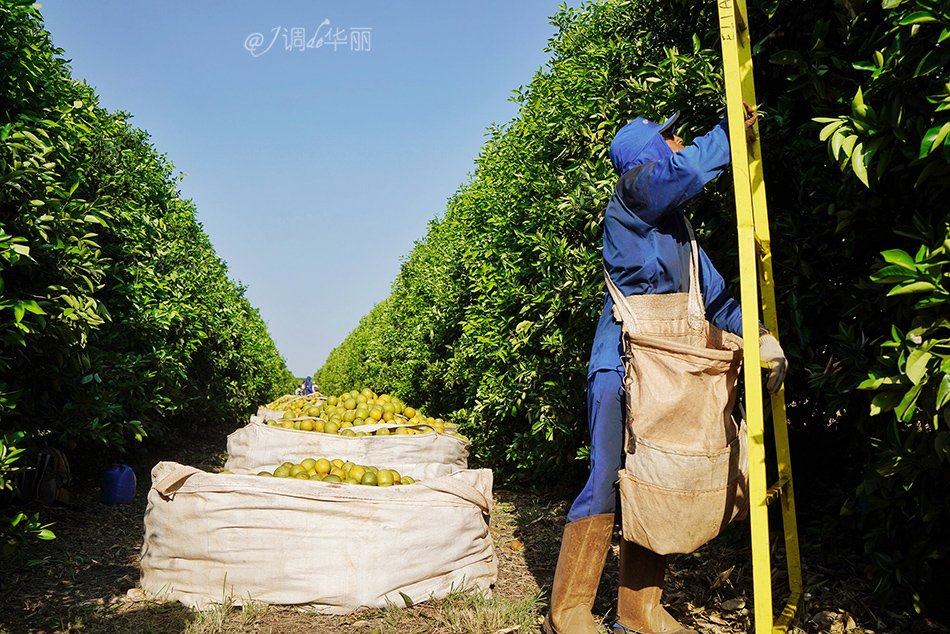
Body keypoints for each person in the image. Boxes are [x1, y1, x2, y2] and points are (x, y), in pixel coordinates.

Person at [543, 107, 788, 634]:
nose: (678, 142)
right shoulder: (634, 193)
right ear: (648, 153)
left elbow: (716, 298)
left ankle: (639, 612)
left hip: (667, 367)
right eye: (669, 137)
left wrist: (760, 336)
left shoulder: (683, 234)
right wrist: (727, 135)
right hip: (623, 366)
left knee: (652, 480)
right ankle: (567, 613)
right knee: (609, 477)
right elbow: (691, 171)